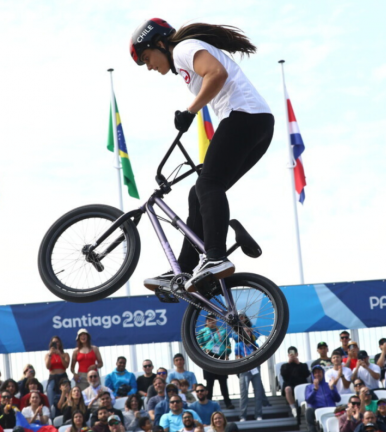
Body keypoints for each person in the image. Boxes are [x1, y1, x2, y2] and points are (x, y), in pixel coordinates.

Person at [130, 17, 274, 291]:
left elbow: (216, 73)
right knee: (199, 193)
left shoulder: (183, 49)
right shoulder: (185, 55)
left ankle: (216, 257)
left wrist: (190, 111)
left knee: (208, 184)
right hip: (256, 123)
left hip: (244, 117)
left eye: (147, 57)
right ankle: (183, 270)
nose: (148, 66)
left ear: (161, 44)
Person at [306, 365, 341, 432]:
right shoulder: (309, 387)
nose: (317, 374)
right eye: (315, 373)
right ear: (313, 375)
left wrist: (332, 388)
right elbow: (308, 400)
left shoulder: (330, 384)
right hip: (317, 410)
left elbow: (338, 399)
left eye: (319, 372)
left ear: (323, 373)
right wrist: (315, 389)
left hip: (331, 409)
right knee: (308, 411)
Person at [281, 346, 311, 417]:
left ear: (297, 354)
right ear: (288, 355)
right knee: (287, 389)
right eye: (290, 354)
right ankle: (293, 408)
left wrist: (298, 364)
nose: (292, 355)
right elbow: (284, 376)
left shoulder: (303, 365)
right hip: (290, 385)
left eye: (294, 354)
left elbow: (307, 374)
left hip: (302, 385)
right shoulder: (284, 366)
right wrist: (288, 363)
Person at [45, 335, 70, 417]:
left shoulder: (65, 354)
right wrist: (50, 355)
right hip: (52, 377)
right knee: (51, 394)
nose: (56, 343)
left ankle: (66, 413)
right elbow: (48, 366)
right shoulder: (48, 355)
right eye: (54, 342)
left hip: (62, 376)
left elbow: (66, 365)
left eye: (57, 342)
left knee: (66, 395)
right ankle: (53, 415)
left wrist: (60, 354)